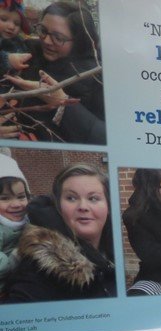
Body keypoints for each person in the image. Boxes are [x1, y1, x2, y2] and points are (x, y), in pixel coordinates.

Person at [5, 163, 114, 303]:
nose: (83, 207)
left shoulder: (113, 254)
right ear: (58, 207)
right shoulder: (39, 270)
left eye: (93, 198)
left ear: (108, 206)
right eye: (71, 198)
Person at [9, 2, 104, 144]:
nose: (46, 41)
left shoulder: (97, 78)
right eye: (42, 30)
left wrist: (62, 103)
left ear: (79, 41)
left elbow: (104, 138)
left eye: (58, 38)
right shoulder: (24, 53)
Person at [0, 152, 29, 287]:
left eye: (21, 197)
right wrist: (15, 259)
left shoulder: (29, 219)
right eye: (5, 198)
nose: (16, 204)